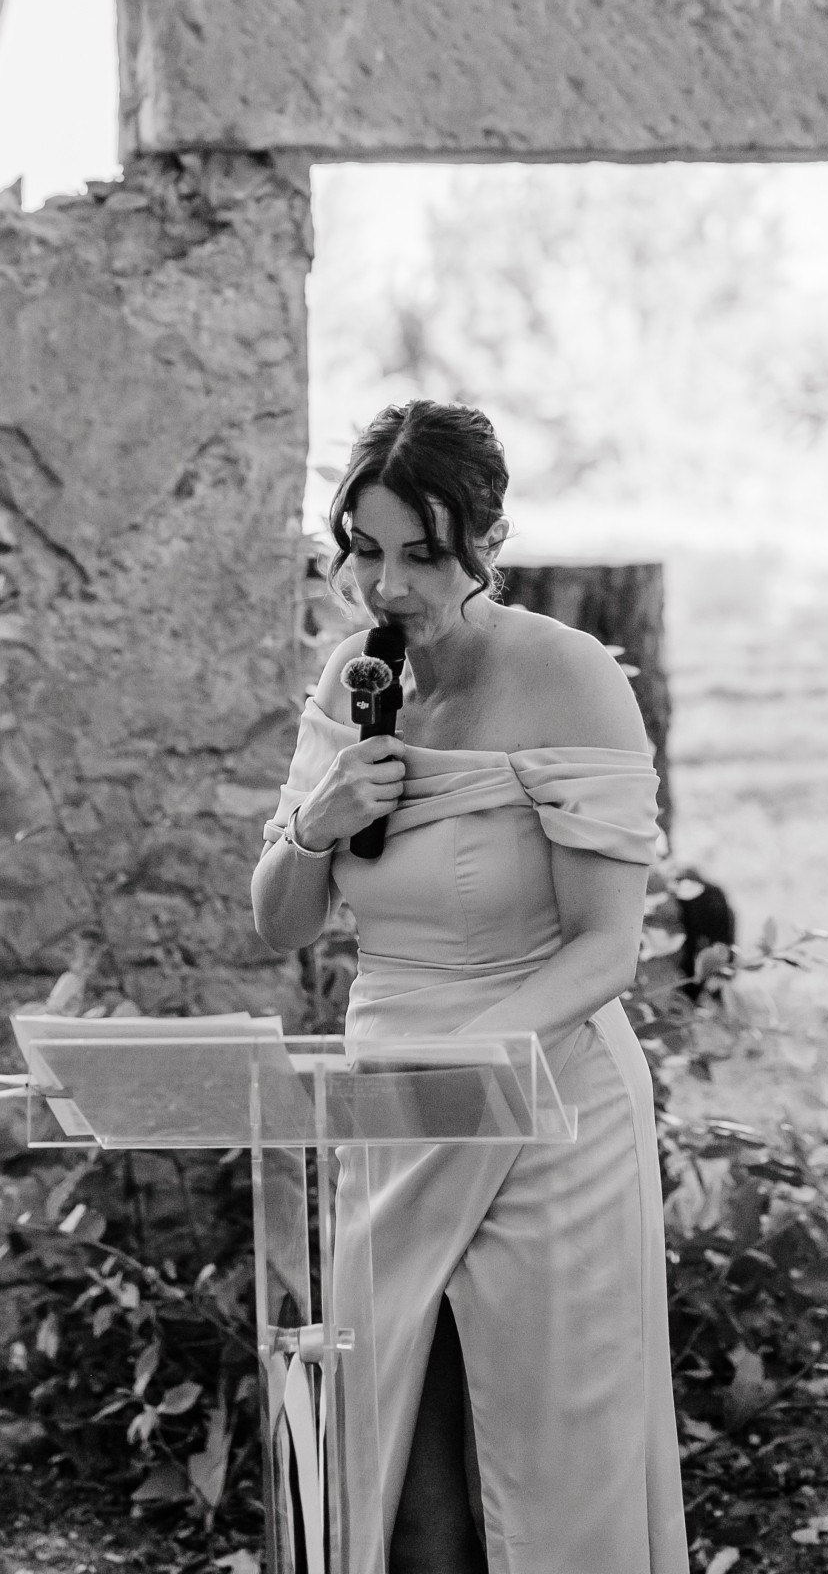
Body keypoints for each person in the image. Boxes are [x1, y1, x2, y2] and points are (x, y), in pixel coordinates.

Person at [251, 399, 689, 1574]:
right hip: (389, 1117)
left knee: (547, 1487)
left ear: (487, 542)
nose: (388, 584)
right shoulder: (354, 678)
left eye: (423, 554)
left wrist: (454, 1068)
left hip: (541, 1113)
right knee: (398, 1476)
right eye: (366, 550)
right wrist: (316, 822)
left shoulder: (568, 676)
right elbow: (279, 921)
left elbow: (604, 948)